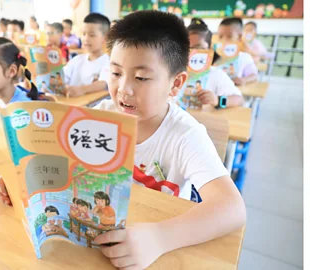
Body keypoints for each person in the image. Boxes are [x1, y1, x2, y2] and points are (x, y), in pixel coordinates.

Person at [93, 11, 245, 268]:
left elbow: (232, 208)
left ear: (175, 85)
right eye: (116, 73)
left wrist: (158, 238)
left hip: (162, 243)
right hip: (110, 231)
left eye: (141, 77)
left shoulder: (185, 135)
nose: (124, 89)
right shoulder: (102, 115)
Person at [187, 18, 244, 108]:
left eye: (198, 48)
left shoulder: (215, 74)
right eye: (187, 48)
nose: (192, 53)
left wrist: (218, 100)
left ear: (210, 50)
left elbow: (239, 99)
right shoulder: (172, 73)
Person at [63, 13, 111, 97]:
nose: (86, 39)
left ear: (105, 38)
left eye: (92, 35)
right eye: (84, 34)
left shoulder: (109, 62)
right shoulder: (76, 60)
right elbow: (63, 76)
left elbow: (103, 83)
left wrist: (82, 90)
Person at [217, 17, 258, 85]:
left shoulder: (244, 57)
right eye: (220, 36)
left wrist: (244, 80)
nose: (224, 40)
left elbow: (254, 75)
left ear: (239, 36)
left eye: (229, 36)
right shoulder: (214, 56)